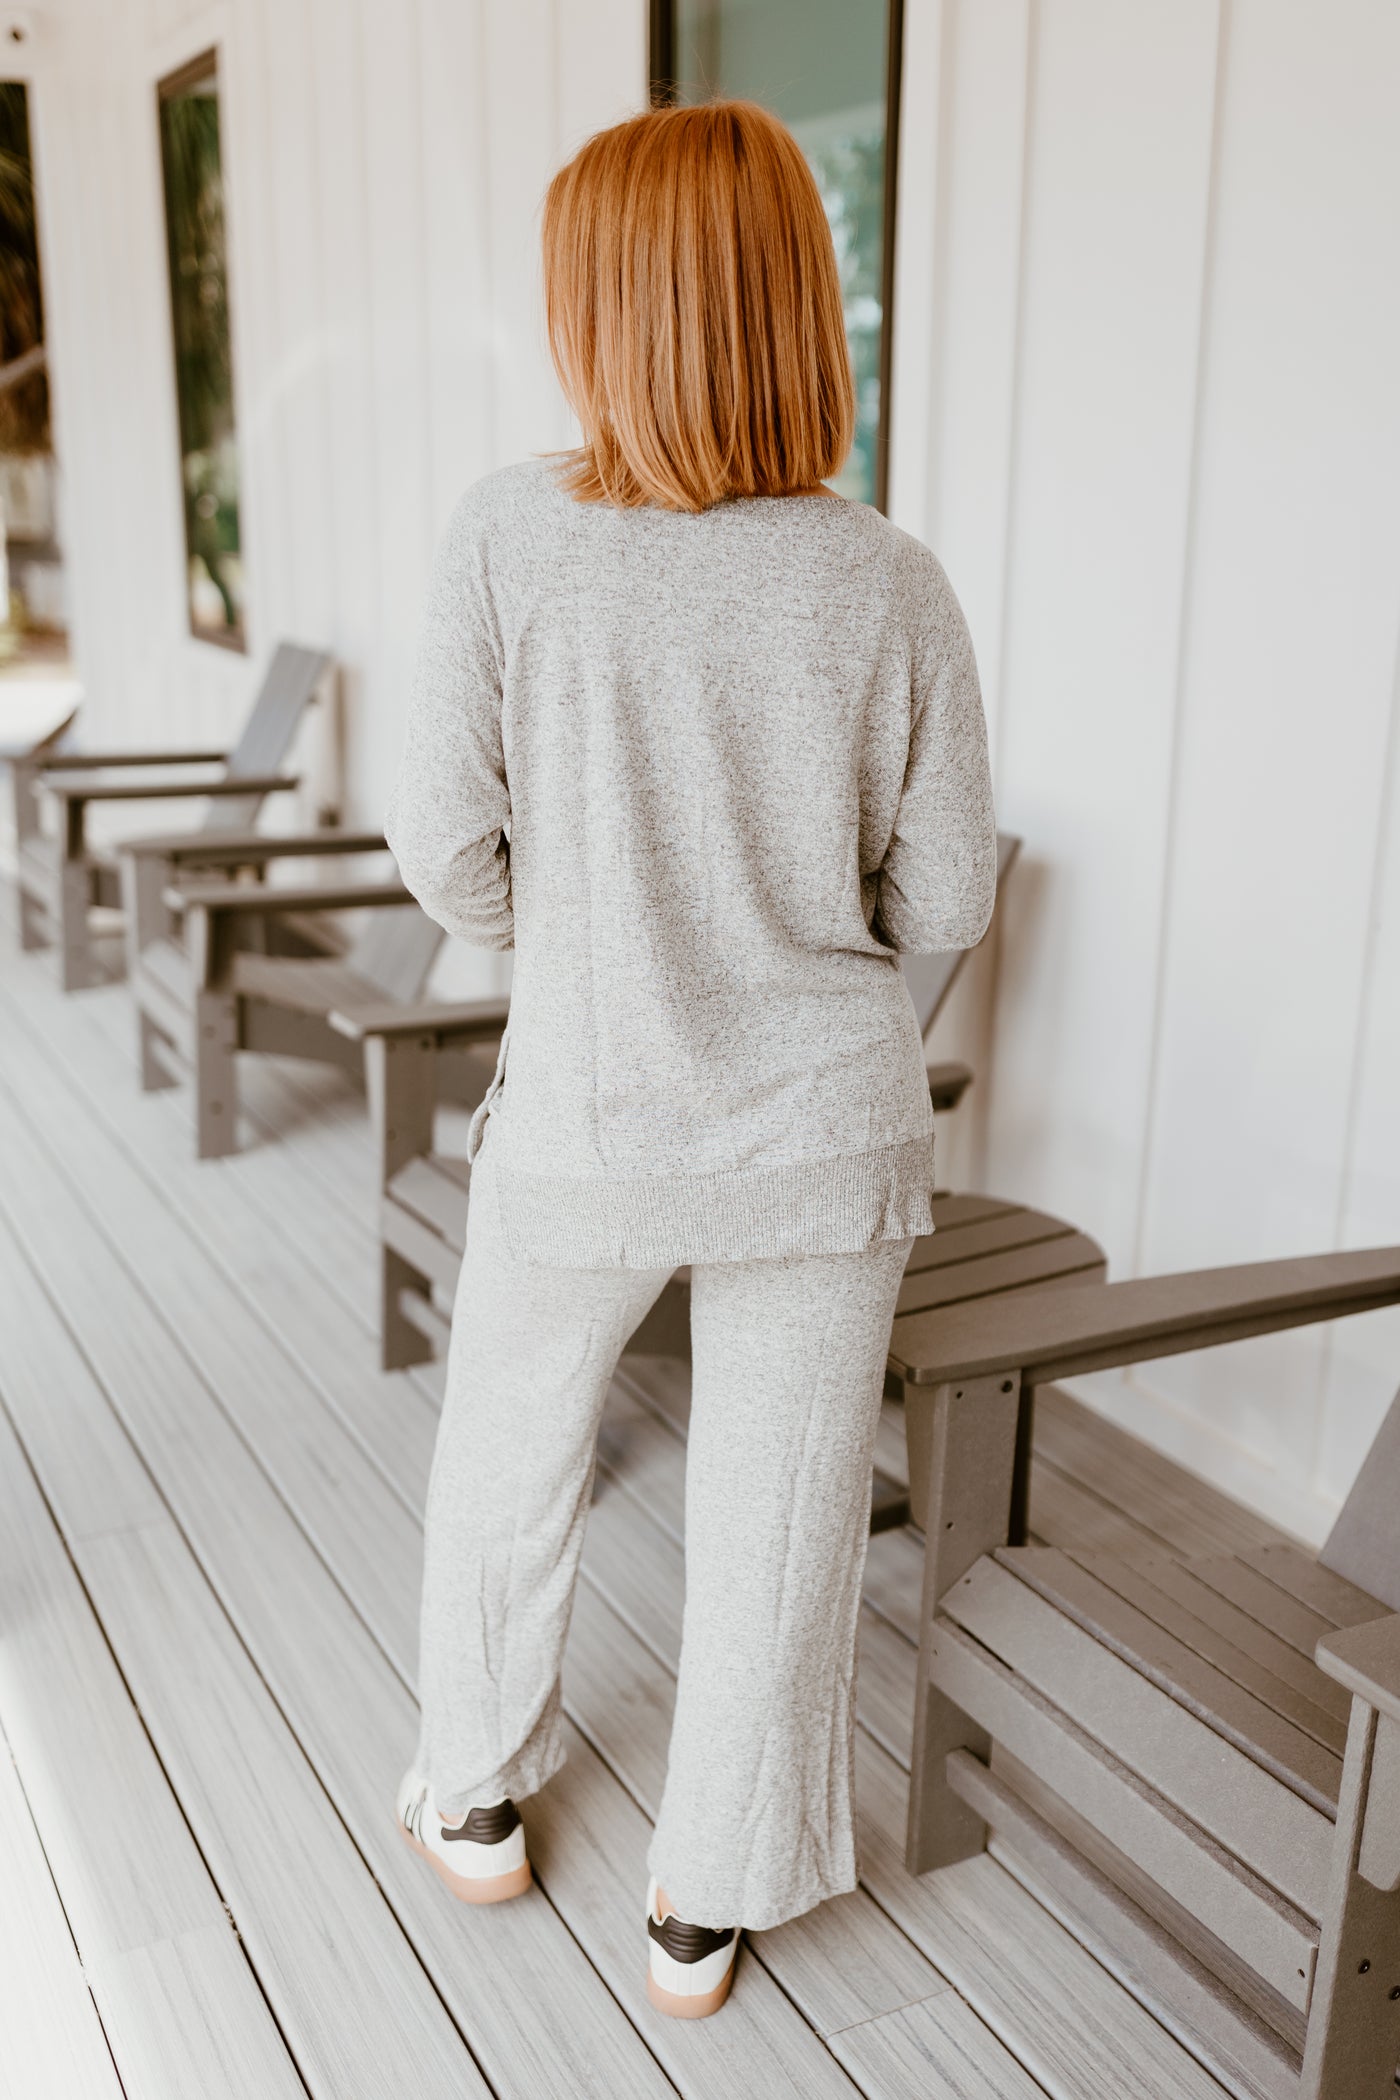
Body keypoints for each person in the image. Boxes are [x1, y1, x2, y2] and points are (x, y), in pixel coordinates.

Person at [385, 97, 997, 2021]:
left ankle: (477, 1793)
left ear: (606, 312)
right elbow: (952, 888)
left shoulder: (509, 536)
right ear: (795, 309)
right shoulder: (889, 578)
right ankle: (706, 1905)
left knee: (507, 1451)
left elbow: (445, 851)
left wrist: (574, 949)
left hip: (581, 1107)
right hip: (826, 1133)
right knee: (786, 1502)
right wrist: (814, 998)